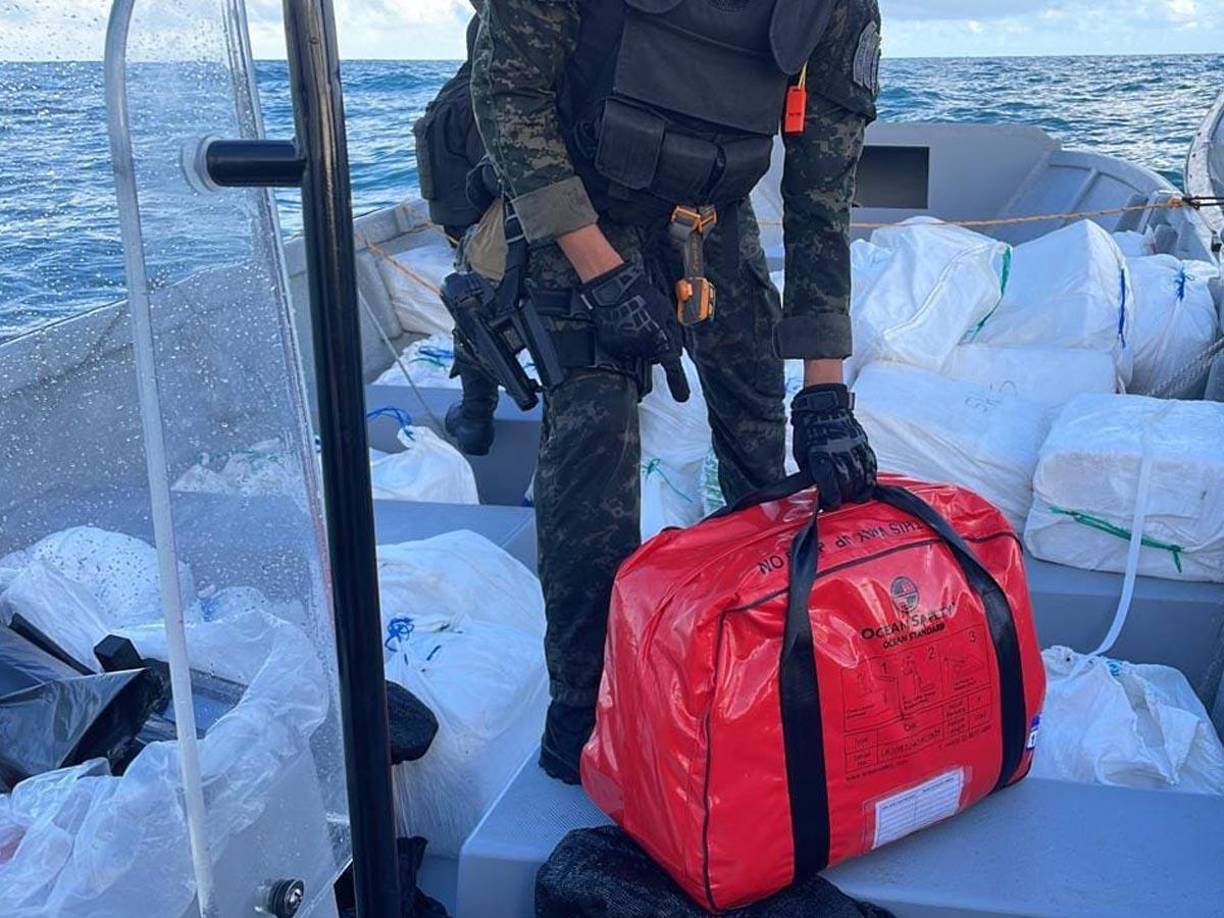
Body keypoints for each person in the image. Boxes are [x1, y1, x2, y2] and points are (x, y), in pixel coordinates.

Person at [467, 0, 882, 783]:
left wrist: (825, 391)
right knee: (595, 433)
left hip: (710, 216)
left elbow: (823, 188)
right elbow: (510, 98)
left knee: (762, 431)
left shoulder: (837, 8)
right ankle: (586, 713)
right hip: (579, 207)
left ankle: (767, 664)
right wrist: (606, 277)